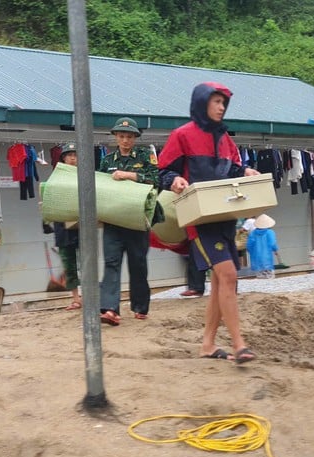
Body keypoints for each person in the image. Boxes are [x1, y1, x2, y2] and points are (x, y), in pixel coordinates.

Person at [159, 81, 261, 363]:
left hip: (226, 216)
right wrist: (175, 180)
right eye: (215, 102)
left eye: (223, 103)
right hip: (200, 220)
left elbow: (234, 169)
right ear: (202, 103)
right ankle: (240, 345)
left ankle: (207, 344)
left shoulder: (224, 138)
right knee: (229, 275)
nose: (221, 107)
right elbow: (164, 171)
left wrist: (247, 171)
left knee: (220, 283)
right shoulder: (182, 135)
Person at [99, 117, 159, 325]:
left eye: (129, 137)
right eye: (122, 136)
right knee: (111, 262)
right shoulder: (107, 160)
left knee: (138, 263)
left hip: (137, 219)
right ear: (116, 137)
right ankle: (110, 309)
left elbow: (154, 179)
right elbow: (101, 186)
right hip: (113, 220)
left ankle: (140, 306)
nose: (125, 140)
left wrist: (127, 175)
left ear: (135, 138)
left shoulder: (145, 156)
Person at [53, 143, 82, 310]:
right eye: (69, 155)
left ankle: (90, 295)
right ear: (63, 158)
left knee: (87, 261)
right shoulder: (57, 176)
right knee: (69, 263)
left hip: (82, 224)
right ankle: (76, 298)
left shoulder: (84, 175)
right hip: (63, 227)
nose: (72, 158)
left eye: (75, 155)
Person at [246, 214, 279, 279]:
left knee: (260, 278)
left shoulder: (253, 233)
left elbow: (249, 245)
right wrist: (275, 249)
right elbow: (272, 243)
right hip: (267, 258)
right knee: (269, 278)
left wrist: (251, 252)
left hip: (256, 258)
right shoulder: (270, 232)